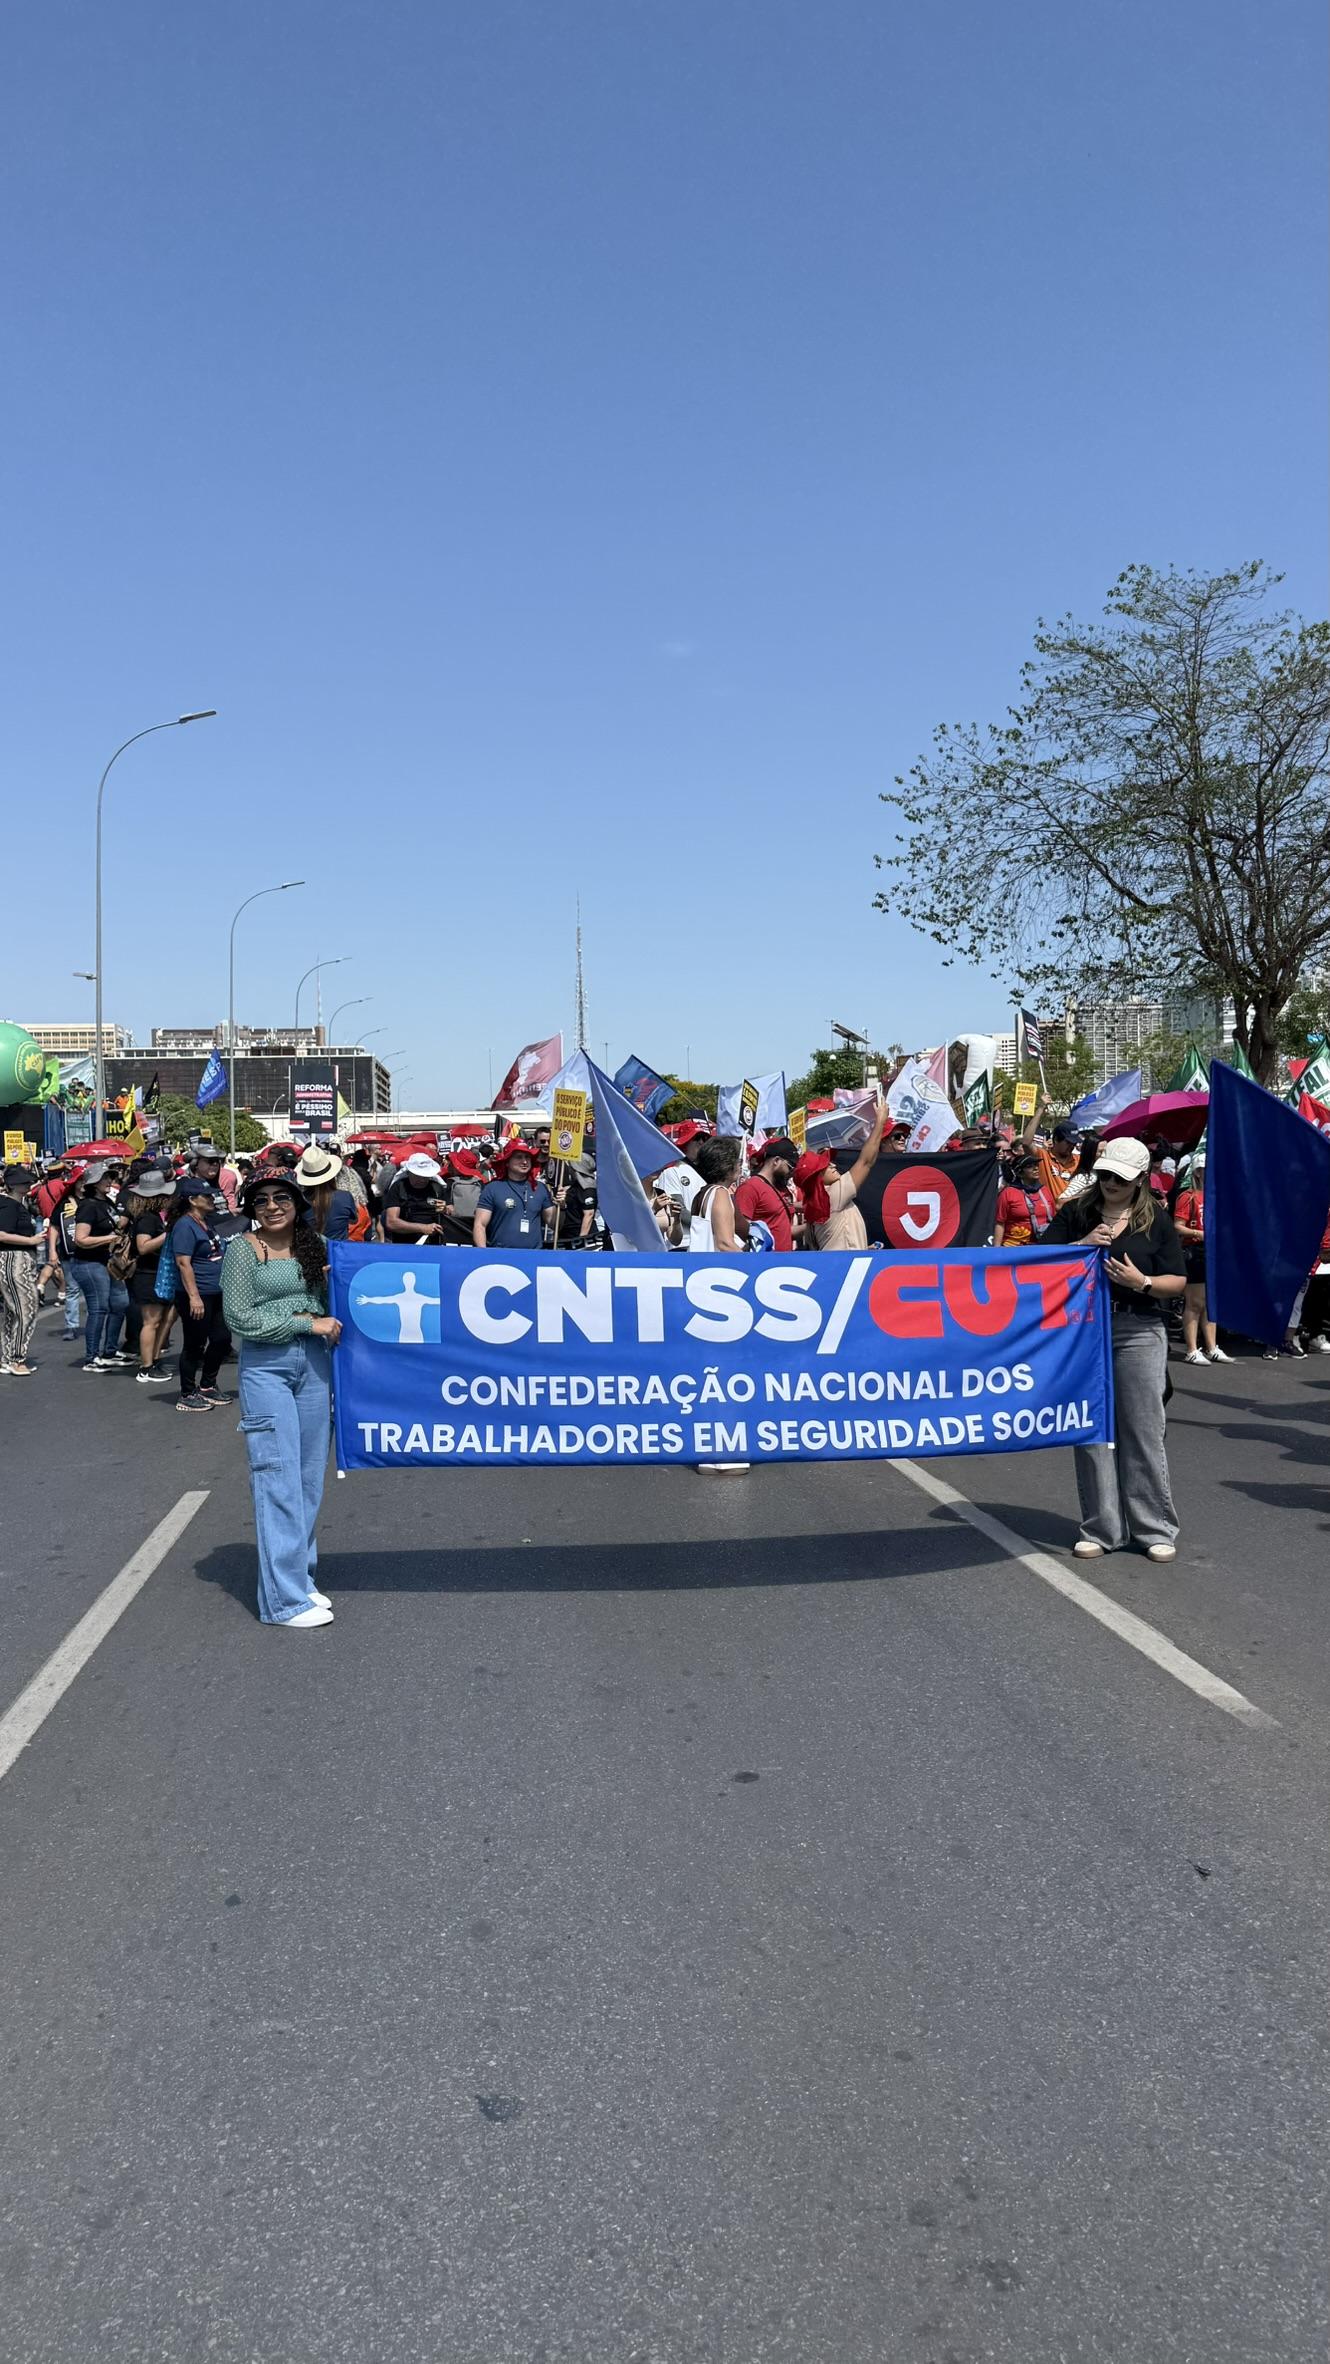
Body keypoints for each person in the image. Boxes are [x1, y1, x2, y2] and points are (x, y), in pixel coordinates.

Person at [1043, 1135, 1186, 1561]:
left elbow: (1176, 1281)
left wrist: (1142, 1282)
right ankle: (1101, 1528)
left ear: (1141, 1179)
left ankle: (1154, 1528)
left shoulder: (1156, 1220)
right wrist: (1080, 1246)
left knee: (1142, 1429)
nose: (1110, 1184)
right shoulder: (1077, 1212)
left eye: (1121, 1179)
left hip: (1138, 1328)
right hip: (1084, 1330)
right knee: (1092, 1430)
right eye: (1105, 1175)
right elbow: (1038, 1261)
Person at [222, 1169, 342, 1630]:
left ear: (297, 1202)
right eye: (261, 1200)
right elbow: (240, 1318)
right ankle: (282, 1602)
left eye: (281, 1198)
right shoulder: (242, 1250)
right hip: (267, 1368)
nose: (271, 1207)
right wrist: (306, 1322)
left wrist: (334, 1287)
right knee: (277, 1476)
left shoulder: (317, 1246)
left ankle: (299, 1578)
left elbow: (339, 1299)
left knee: (308, 1477)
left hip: (315, 1365)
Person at [170, 1179, 231, 1411]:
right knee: (194, 1344)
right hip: (197, 1293)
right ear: (192, 1200)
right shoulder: (184, 1226)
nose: (212, 1199)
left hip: (216, 1291)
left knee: (222, 1339)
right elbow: (183, 1263)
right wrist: (194, 1297)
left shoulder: (206, 1221)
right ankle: (187, 1393)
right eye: (207, 1196)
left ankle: (207, 1385)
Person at [795, 1103, 890, 1249]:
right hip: (842, 1262)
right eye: (826, 1166)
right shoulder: (833, 1195)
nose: (833, 1165)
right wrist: (880, 1122)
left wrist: (863, 1248)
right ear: (817, 1177)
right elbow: (866, 1161)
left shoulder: (812, 1207)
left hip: (835, 1261)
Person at [1172, 1157, 1231, 1366]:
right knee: (1195, 1302)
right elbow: (1177, 1225)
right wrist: (1199, 1233)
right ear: (1197, 1172)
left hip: (1213, 1251)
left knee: (1210, 1302)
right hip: (1195, 1250)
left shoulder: (1215, 1196)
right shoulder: (1187, 1196)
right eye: (1206, 1169)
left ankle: (1212, 1346)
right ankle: (1191, 1349)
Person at [72, 1164, 131, 1371]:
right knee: (99, 1309)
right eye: (104, 1178)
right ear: (93, 1183)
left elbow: (116, 1224)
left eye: (110, 1177)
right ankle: (91, 1357)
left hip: (108, 1262)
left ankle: (109, 1351)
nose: (109, 1181)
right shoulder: (88, 1206)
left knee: (120, 1304)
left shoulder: (106, 1202)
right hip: (89, 1263)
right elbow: (80, 1239)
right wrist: (110, 1238)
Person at [124, 1170, 177, 1383]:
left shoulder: (151, 1216)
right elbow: (143, 1246)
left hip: (155, 1273)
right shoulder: (146, 1218)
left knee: (161, 1320)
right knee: (151, 1322)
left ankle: (153, 1361)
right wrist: (168, 1234)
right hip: (147, 1275)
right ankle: (146, 1367)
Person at [473, 1139, 558, 1249]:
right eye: (519, 1157)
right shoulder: (492, 1188)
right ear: (507, 1162)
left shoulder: (540, 1188)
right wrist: (483, 1254)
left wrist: (562, 1206)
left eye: (527, 1157)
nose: (524, 1161)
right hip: (501, 1254)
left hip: (534, 1255)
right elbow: (480, 1225)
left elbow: (554, 1223)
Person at [0, 1165, 42, 1377]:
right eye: (23, 1182)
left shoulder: (17, 1204)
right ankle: (17, 1359)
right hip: (13, 1259)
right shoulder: (9, 1205)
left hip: (19, 1259)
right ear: (12, 1185)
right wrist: (31, 1240)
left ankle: (8, 1357)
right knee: (27, 1309)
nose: (28, 1184)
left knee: (14, 1311)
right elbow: (1, 1234)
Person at [734, 1137, 799, 1251]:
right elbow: (740, 1232)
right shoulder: (750, 1188)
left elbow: (784, 1231)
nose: (791, 1173)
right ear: (776, 1161)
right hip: (763, 1259)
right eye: (790, 1167)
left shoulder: (783, 1190)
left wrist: (810, 1228)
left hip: (785, 1259)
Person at [688, 1135, 744, 1252]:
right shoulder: (720, 1193)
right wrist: (751, 1262)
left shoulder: (703, 1193)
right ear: (726, 1165)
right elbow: (724, 1243)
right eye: (738, 1161)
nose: (740, 1165)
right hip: (717, 1262)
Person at [295, 1144, 359, 1240]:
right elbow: (353, 1220)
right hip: (338, 1248)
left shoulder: (299, 1200)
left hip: (309, 1248)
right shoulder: (345, 1197)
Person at [383, 1152, 449, 1244]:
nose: (422, 1180)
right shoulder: (399, 1188)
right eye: (418, 1176)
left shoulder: (436, 1189)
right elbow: (391, 1222)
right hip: (405, 1244)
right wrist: (422, 1228)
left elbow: (447, 1213)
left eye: (425, 1176)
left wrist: (445, 1210)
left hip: (433, 1245)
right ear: (409, 1173)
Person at [993, 1149, 1055, 1246]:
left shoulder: (1044, 1191)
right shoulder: (1008, 1193)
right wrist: (996, 1250)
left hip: (1041, 1247)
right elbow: (1000, 1223)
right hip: (1014, 1247)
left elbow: (1053, 1218)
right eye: (1029, 1166)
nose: (1036, 1168)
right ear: (1019, 1173)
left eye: (1036, 1165)